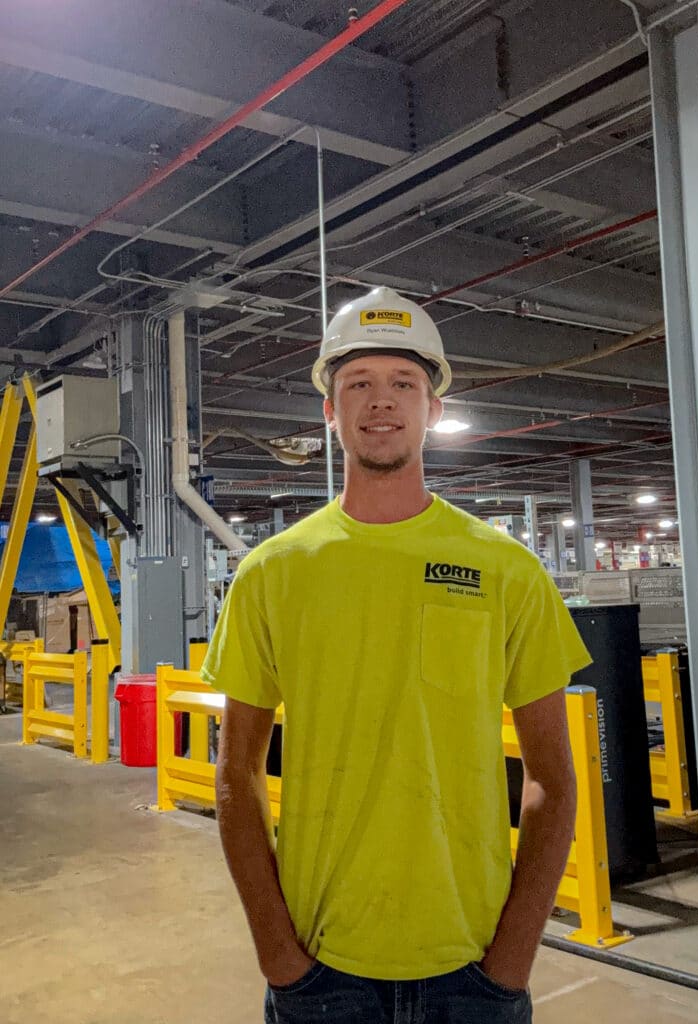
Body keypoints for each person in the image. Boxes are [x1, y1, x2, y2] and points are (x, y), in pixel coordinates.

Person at [202, 286, 592, 1023]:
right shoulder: (272, 573)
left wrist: (509, 963)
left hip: (473, 968)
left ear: (434, 408)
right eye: (358, 384)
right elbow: (236, 778)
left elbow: (553, 781)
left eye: (403, 383)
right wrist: (279, 959)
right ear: (330, 409)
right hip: (322, 974)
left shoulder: (506, 569)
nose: (381, 402)